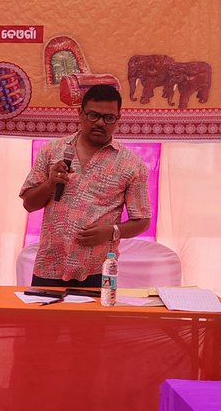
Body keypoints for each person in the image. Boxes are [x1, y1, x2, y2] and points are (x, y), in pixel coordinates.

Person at [20, 86, 151, 287]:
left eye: (108, 118)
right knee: (46, 320)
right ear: (80, 113)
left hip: (98, 270)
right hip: (50, 265)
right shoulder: (52, 151)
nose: (100, 122)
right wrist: (50, 183)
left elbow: (142, 221)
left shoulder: (132, 164)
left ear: (118, 119)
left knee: (95, 320)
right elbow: (29, 204)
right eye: (93, 115)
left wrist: (111, 231)